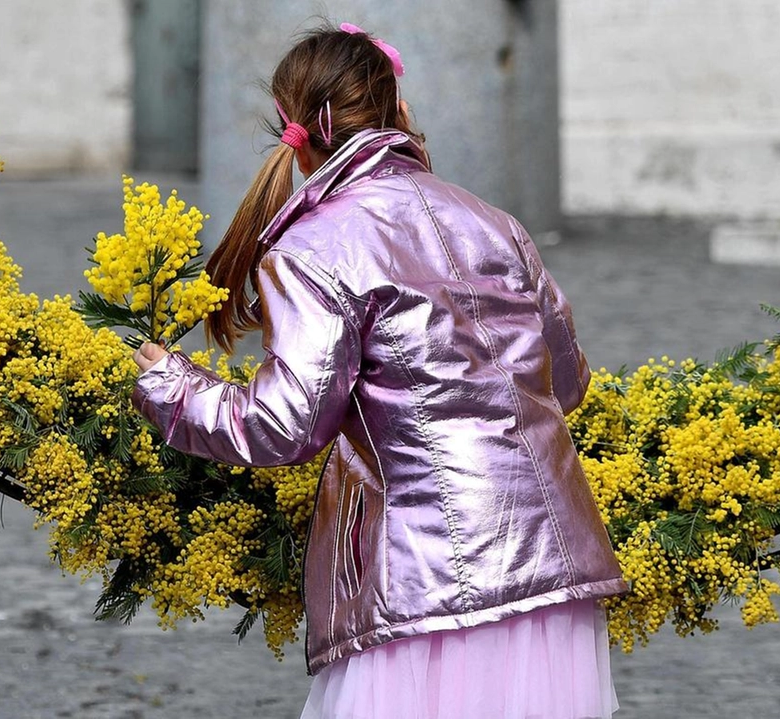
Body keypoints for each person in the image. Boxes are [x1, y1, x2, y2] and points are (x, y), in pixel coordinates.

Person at [132, 23, 627, 719]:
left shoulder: (314, 246)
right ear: (399, 107)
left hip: (429, 577)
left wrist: (172, 389)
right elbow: (566, 381)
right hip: (554, 568)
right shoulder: (495, 222)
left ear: (293, 127)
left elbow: (282, 424)